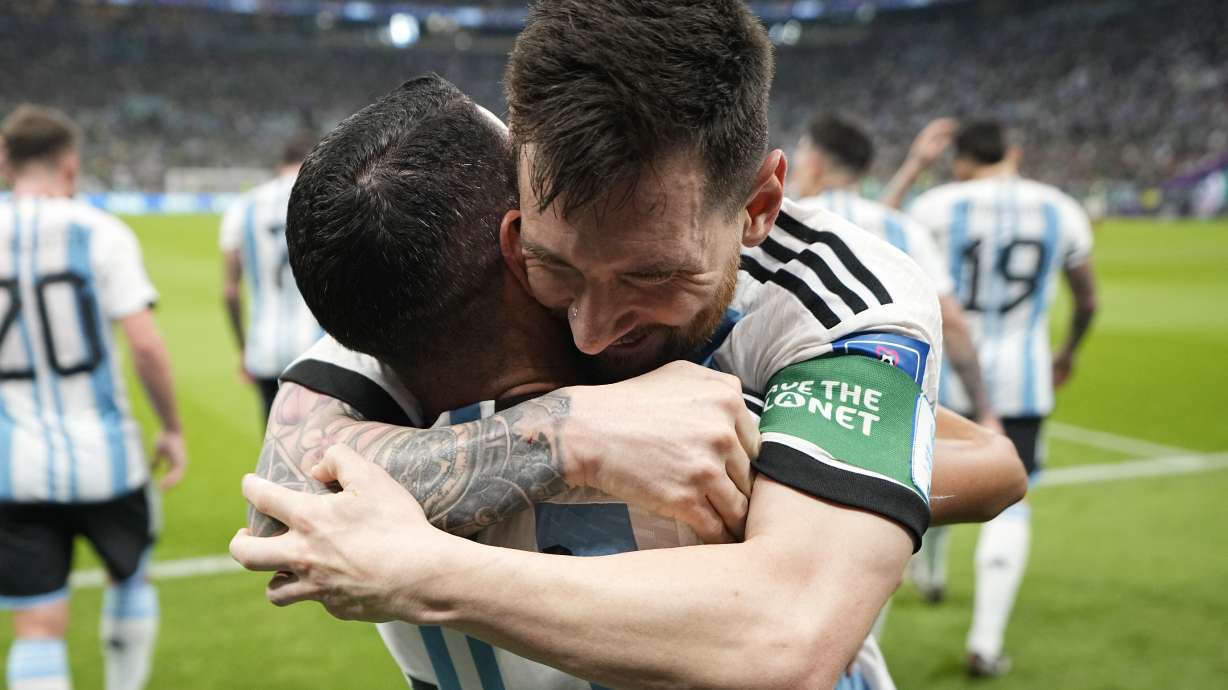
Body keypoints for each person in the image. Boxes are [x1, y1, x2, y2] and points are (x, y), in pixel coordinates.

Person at [233, 2, 1024, 686]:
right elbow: (281, 507)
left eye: (653, 276)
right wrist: (574, 435)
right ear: (513, 205)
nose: (593, 328)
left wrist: (428, 570)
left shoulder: (823, 294)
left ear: (759, 205)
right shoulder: (445, 287)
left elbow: (792, 629)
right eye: (553, 268)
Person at [0, 104, 188, 690]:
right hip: (107, 458)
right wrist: (172, 428)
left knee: (36, 625)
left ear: (5, 162)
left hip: (13, 467)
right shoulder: (101, 231)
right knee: (130, 579)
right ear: (71, 166)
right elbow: (146, 346)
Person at [905, 120, 1099, 676]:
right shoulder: (1062, 207)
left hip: (944, 372)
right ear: (1013, 152)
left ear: (961, 159)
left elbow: (889, 254)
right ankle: (986, 643)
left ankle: (931, 576)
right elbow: (1088, 299)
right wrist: (1067, 353)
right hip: (1024, 377)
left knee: (929, 474)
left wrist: (917, 165)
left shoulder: (936, 206)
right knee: (1015, 499)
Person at [791, 113, 1000, 431]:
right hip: (898, 412)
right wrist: (985, 411)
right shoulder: (904, 231)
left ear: (816, 162)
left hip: (801, 403)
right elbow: (953, 323)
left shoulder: (781, 223)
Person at [219, 131, 322, 420]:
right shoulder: (325, 196)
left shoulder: (244, 206)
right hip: (317, 349)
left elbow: (229, 291)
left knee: (274, 440)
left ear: (281, 163)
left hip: (263, 348)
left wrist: (243, 348)